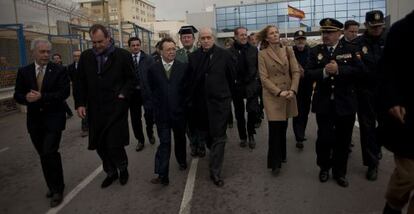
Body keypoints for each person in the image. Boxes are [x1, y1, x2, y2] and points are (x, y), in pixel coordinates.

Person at [74, 24, 136, 188]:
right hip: (95, 109)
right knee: (100, 145)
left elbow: (132, 79)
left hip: (116, 108)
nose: (97, 46)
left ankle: (123, 169)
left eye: (100, 42)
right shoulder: (86, 57)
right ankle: (111, 172)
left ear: (108, 38)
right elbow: (79, 82)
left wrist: (123, 93)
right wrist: (80, 103)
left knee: (115, 144)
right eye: (93, 42)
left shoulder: (123, 55)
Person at [14, 37, 69, 207]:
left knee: (50, 152)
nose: (46, 55)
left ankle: (58, 188)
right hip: (35, 122)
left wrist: (42, 97)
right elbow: (18, 94)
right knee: (43, 155)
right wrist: (26, 98)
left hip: (54, 120)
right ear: (33, 52)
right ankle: (51, 186)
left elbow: (64, 93)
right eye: (42, 51)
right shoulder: (24, 71)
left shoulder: (58, 70)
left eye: (48, 52)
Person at [307, 18, 362, 188]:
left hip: (345, 104)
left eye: (330, 32)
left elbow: (360, 71)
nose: (326, 35)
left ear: (339, 33)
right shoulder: (315, 51)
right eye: (324, 32)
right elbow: (308, 73)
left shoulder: (352, 49)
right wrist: (324, 71)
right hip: (324, 104)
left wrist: (340, 70)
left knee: (343, 140)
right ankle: (324, 167)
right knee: (324, 139)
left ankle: (340, 172)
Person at [187, 27, 236, 187]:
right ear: (199, 40)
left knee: (219, 137)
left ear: (213, 38)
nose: (206, 40)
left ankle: (215, 171)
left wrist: (226, 97)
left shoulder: (225, 55)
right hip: (201, 105)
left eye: (209, 37)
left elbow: (231, 77)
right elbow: (192, 81)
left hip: (220, 104)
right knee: (208, 136)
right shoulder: (193, 57)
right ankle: (212, 151)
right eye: (203, 38)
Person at [376, 10, 414, 214]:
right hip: (408, 119)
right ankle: (393, 206)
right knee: (407, 177)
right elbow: (386, 71)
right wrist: (392, 100)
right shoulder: (402, 30)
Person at [257, 25, 300, 175]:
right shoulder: (262, 54)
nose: (275, 35)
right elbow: (264, 78)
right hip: (273, 96)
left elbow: (295, 71)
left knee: (283, 126)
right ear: (267, 38)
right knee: (275, 129)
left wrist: (293, 90)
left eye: (276, 32)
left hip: (288, 93)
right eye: (272, 33)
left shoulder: (288, 50)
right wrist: (278, 92)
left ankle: (282, 154)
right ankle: (274, 163)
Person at [147, 38, 189, 186]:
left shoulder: (183, 67)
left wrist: (185, 107)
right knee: (164, 143)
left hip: (179, 113)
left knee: (180, 139)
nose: (172, 52)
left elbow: (186, 91)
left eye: (173, 49)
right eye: (168, 49)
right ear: (161, 51)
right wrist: (154, 110)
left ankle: (182, 160)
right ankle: (162, 174)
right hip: (162, 115)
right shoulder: (153, 69)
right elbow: (151, 91)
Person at [352, 10, 387, 181]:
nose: (377, 29)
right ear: (366, 25)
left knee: (387, 124)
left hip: (385, 91)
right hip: (365, 92)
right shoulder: (358, 44)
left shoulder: (389, 40)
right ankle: (372, 164)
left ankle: (377, 145)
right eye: (373, 27)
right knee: (367, 128)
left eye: (380, 26)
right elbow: (359, 67)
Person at [229, 27, 260, 149]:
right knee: (239, 113)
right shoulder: (229, 52)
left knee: (252, 110)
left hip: (251, 84)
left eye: (245, 34)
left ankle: (251, 134)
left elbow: (258, 66)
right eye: (241, 35)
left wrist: (257, 80)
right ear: (235, 37)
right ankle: (243, 137)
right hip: (237, 86)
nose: (243, 37)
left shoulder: (253, 50)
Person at [128, 37, 156, 152]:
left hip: (147, 93)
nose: (135, 47)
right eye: (133, 45)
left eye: (137, 45)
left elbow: (154, 75)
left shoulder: (148, 59)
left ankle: (150, 133)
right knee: (135, 119)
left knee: (149, 116)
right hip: (133, 94)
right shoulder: (126, 59)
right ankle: (140, 140)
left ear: (140, 46)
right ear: (129, 47)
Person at [291, 30, 312, 149]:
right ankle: (298, 137)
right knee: (297, 112)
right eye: (298, 39)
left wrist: (306, 72)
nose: (300, 41)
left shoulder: (310, 51)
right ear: (294, 40)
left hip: (307, 86)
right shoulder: (290, 52)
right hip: (295, 87)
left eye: (302, 39)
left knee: (304, 112)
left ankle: (301, 132)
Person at [67, 50, 88, 137]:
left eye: (79, 56)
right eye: (75, 56)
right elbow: (71, 79)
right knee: (81, 109)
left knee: (86, 109)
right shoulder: (70, 67)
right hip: (77, 92)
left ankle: (85, 128)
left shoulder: (87, 66)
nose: (77, 58)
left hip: (88, 92)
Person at [52, 53, 74, 119]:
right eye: (54, 59)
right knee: (60, 101)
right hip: (54, 88)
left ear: (60, 59)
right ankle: (69, 113)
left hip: (62, 88)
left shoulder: (64, 67)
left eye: (57, 58)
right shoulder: (51, 68)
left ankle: (68, 113)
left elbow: (67, 78)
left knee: (62, 101)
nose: (56, 60)